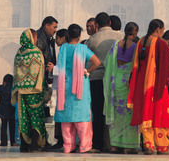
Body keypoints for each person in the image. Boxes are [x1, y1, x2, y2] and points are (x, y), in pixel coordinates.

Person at [127, 19, 169, 155]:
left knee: (145, 113)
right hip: (155, 83)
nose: (163, 32)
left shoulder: (141, 41)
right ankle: (162, 147)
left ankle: (148, 145)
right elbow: (168, 63)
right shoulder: (159, 43)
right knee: (159, 113)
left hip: (141, 83)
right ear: (159, 29)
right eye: (163, 30)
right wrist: (167, 80)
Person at [54, 24, 100, 153]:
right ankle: (85, 146)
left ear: (68, 35)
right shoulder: (82, 49)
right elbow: (97, 62)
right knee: (82, 116)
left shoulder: (63, 49)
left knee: (67, 117)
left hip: (65, 87)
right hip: (80, 87)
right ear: (79, 36)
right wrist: (87, 71)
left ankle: (68, 146)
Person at [86, 12, 122, 152]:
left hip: (97, 78)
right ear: (110, 23)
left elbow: (87, 59)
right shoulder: (120, 37)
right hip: (115, 79)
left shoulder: (93, 39)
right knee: (114, 111)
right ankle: (115, 143)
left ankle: (98, 144)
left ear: (97, 25)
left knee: (97, 111)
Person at [103, 22, 139, 154]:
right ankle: (129, 145)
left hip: (116, 82)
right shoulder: (135, 46)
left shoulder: (115, 45)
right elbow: (136, 66)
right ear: (135, 33)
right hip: (128, 83)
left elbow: (107, 63)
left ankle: (115, 145)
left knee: (117, 112)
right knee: (129, 113)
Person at [11, 28, 46, 152]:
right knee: (35, 117)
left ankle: (24, 144)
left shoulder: (19, 52)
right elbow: (39, 71)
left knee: (23, 117)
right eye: (35, 37)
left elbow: (15, 71)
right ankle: (35, 144)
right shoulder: (35, 52)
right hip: (34, 91)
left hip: (21, 91)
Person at [48, 28, 69, 151]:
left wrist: (54, 68)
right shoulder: (63, 49)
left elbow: (65, 69)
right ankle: (60, 140)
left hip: (65, 86)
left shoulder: (64, 49)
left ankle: (62, 140)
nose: (56, 40)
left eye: (57, 38)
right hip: (63, 86)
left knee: (62, 114)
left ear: (63, 38)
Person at [0, 74, 16, 147]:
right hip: (12, 109)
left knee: (4, 127)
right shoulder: (14, 88)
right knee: (12, 127)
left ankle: (4, 142)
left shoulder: (2, 88)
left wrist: (2, 85)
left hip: (3, 110)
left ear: (4, 81)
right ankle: (13, 142)